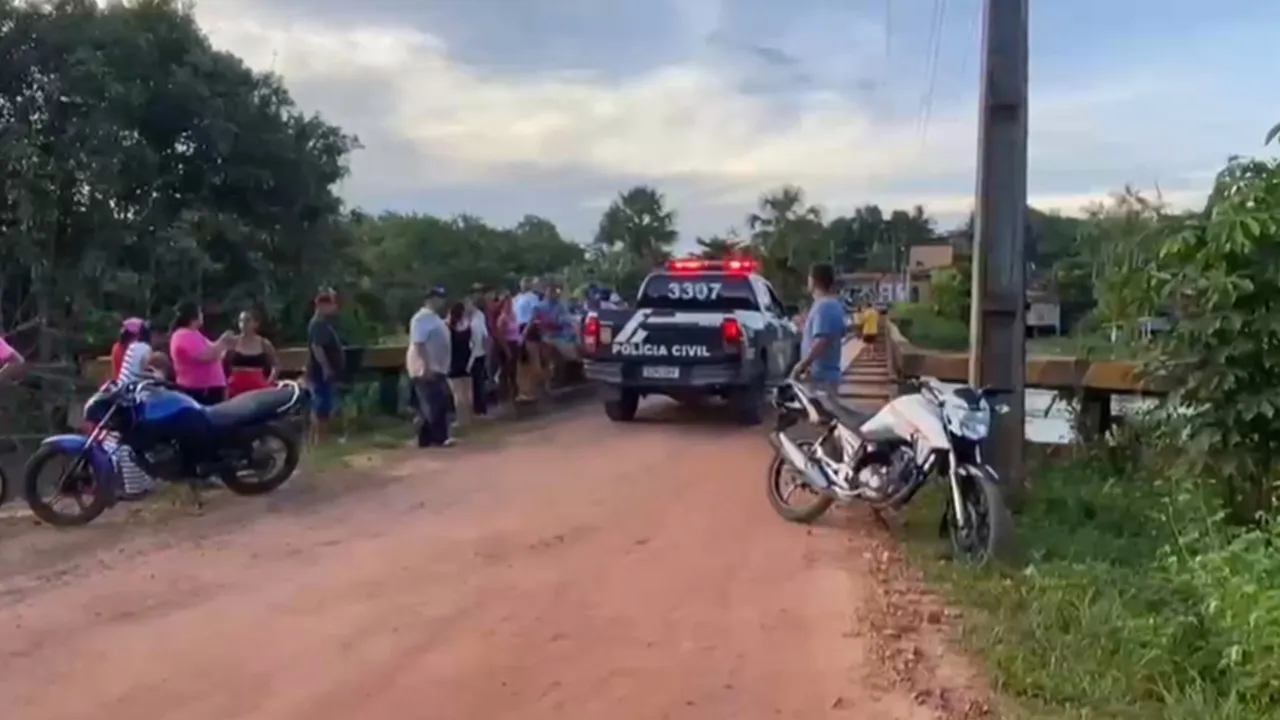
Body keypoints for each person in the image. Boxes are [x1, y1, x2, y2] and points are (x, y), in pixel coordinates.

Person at [102, 318, 163, 499]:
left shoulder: (130, 347)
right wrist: (159, 377)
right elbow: (148, 370)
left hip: (121, 396)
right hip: (132, 399)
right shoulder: (144, 349)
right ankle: (136, 488)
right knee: (130, 444)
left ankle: (136, 486)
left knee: (122, 443)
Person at [406, 288, 455, 448]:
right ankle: (439, 437)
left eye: (441, 298)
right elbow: (419, 343)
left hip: (438, 366)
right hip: (426, 367)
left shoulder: (434, 318)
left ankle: (426, 438)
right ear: (428, 299)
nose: (440, 301)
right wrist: (424, 366)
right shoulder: (421, 318)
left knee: (437, 402)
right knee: (434, 403)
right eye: (436, 298)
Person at [791, 263, 847, 398]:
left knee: (822, 416)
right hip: (825, 376)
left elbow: (821, 341)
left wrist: (802, 365)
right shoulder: (834, 305)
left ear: (814, 281)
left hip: (821, 379)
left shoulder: (824, 306)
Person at [169, 301, 234, 406]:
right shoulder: (184, 335)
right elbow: (207, 356)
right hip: (200, 390)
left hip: (209, 389)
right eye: (200, 313)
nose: (202, 316)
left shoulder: (195, 334)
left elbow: (215, 351)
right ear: (193, 316)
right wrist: (223, 341)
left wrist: (225, 345)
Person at [307, 291, 345, 444]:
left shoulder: (323, 324)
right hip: (319, 372)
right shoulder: (318, 325)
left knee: (325, 403)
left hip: (323, 371)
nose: (334, 307)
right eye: (331, 304)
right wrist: (326, 367)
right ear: (322, 305)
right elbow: (317, 347)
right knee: (322, 404)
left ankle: (322, 438)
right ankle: (321, 439)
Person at [226, 310, 279, 398]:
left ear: (256, 323)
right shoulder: (232, 342)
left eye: (247, 320)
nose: (243, 324)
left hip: (257, 384)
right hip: (235, 384)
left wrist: (270, 380)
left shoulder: (264, 343)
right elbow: (220, 363)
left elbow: (276, 364)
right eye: (241, 321)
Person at [511, 277, 545, 402]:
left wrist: (526, 331)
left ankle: (535, 389)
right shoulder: (518, 298)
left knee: (533, 360)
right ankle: (526, 390)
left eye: (526, 283)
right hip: (518, 327)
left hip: (529, 327)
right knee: (523, 362)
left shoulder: (532, 297)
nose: (524, 285)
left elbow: (535, 314)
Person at [445, 302, 473, 423]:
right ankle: (468, 417)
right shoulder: (467, 326)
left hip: (453, 361)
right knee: (467, 392)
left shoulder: (448, 327)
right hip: (466, 360)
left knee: (457, 393)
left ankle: (461, 419)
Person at [464, 294, 490, 418]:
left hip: (477, 353)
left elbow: (484, 335)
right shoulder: (473, 317)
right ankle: (478, 409)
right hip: (475, 352)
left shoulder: (478, 317)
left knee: (478, 383)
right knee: (476, 383)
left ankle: (480, 409)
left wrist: (485, 350)